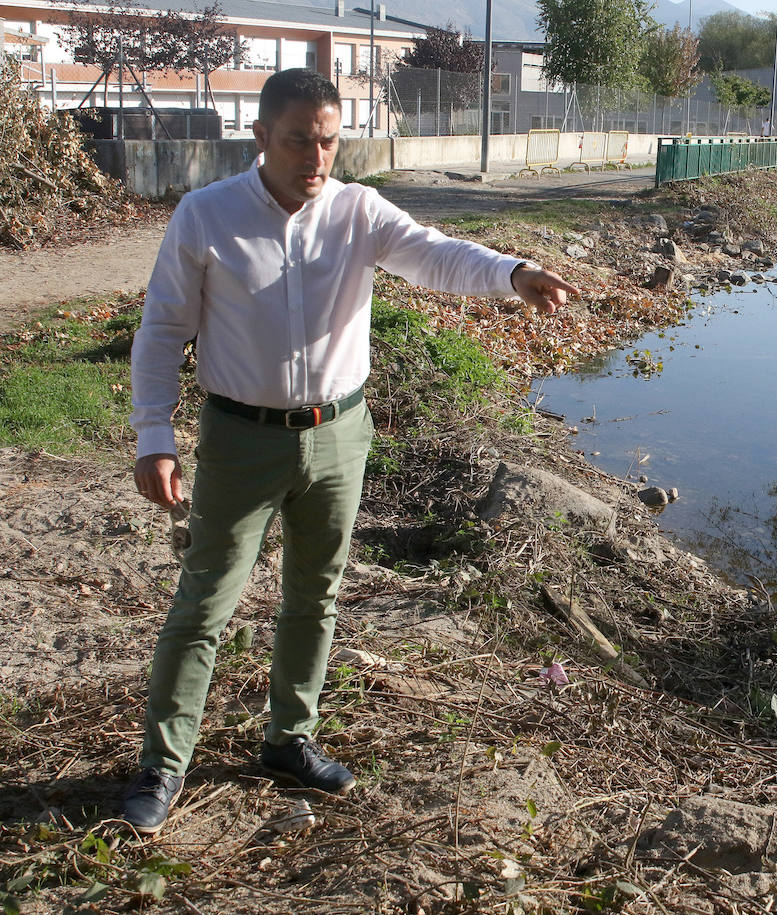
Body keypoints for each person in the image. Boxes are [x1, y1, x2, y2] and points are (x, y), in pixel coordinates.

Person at [121, 68, 577, 835]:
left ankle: (288, 739)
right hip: (240, 438)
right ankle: (163, 767)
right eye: (299, 138)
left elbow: (434, 253)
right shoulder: (206, 216)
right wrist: (154, 436)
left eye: (329, 139)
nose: (316, 155)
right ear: (262, 136)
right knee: (205, 602)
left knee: (316, 594)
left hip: (339, 435)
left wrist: (513, 272)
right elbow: (164, 330)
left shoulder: (359, 210)